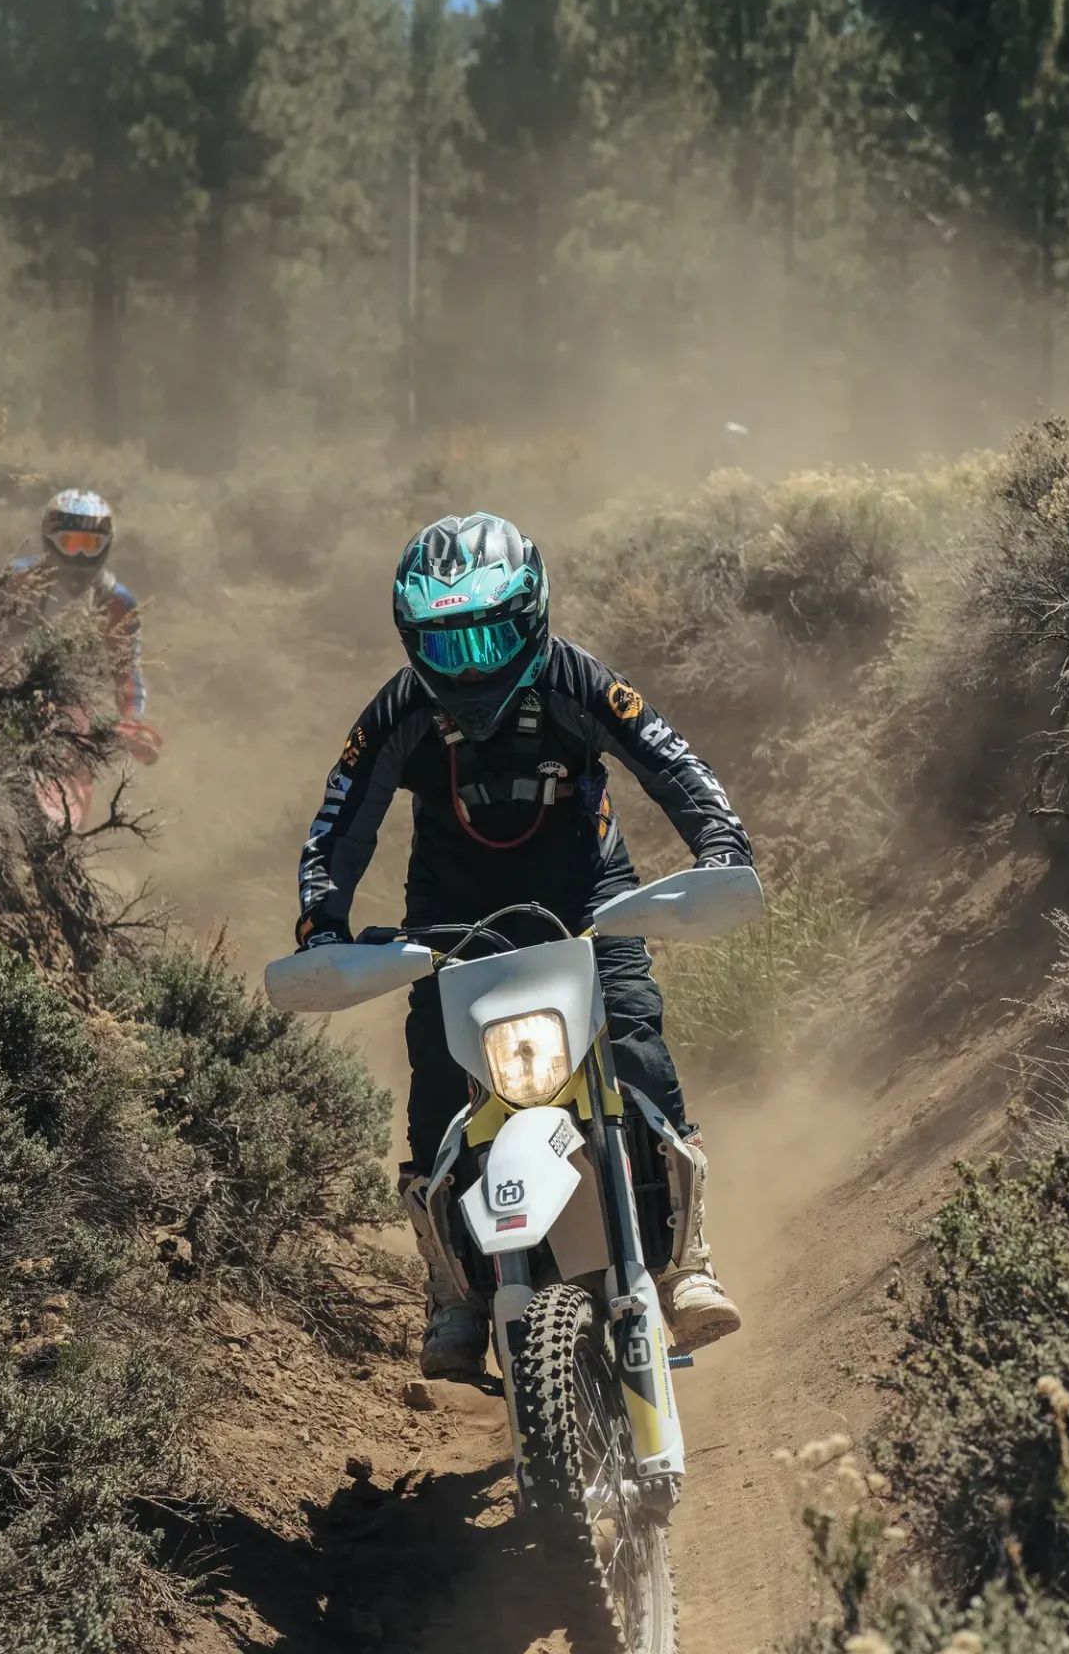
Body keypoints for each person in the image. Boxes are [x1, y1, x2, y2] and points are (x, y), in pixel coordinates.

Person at [294, 512, 753, 1384]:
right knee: (435, 1093)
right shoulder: (397, 710)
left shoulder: (578, 679)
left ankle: (688, 1261)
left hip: (588, 898)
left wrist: (721, 846)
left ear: (533, 619)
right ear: (411, 641)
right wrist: (322, 922)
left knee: (640, 1051)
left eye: (491, 637)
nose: (469, 668)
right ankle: (453, 1290)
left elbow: (670, 762)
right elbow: (338, 825)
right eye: (446, 645)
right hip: (449, 922)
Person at [0, 489, 161, 825]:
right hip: (1, 684)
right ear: (50, 540)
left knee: (74, 753)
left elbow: (126, 674)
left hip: (70, 705)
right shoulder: (18, 580)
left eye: (91, 545)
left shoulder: (115, 603)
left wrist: (134, 722)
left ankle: (58, 831)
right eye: (71, 542)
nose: (80, 556)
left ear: (107, 545)